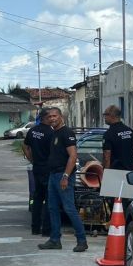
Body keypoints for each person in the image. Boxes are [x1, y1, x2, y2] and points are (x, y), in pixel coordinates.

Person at [38, 107, 88, 252]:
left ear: (61, 117)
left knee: (69, 208)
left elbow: (73, 156)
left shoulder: (67, 133)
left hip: (63, 176)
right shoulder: (55, 133)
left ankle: (82, 240)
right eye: (50, 117)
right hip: (53, 175)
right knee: (52, 208)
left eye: (55, 116)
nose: (52, 118)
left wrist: (66, 176)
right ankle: (54, 240)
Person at [22, 108, 52, 236]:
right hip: (47, 168)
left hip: (37, 168)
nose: (52, 119)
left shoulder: (33, 130)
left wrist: (31, 158)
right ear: (45, 118)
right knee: (49, 200)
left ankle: (35, 228)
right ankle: (46, 230)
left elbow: (24, 145)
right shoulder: (51, 133)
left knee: (37, 198)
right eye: (50, 117)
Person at [102, 105, 133, 171]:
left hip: (116, 173)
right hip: (130, 172)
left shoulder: (109, 134)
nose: (104, 117)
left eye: (105, 115)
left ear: (111, 115)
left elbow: (107, 158)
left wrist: (105, 174)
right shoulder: (131, 131)